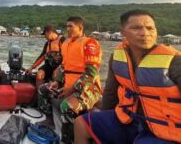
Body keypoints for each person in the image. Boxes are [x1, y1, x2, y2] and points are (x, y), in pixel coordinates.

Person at [74, 10, 181, 144]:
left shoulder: (174, 61)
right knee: (81, 124)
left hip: (165, 128)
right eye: (136, 28)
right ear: (123, 32)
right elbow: (110, 93)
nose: (145, 33)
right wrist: (106, 118)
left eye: (150, 28)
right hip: (128, 119)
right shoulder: (118, 57)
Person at [38, 16, 102, 143]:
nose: (67, 29)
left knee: (66, 106)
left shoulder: (90, 43)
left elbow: (91, 72)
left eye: (71, 26)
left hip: (88, 88)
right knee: (43, 89)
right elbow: (64, 66)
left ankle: (68, 139)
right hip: (67, 84)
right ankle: (50, 120)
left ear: (80, 27)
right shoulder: (66, 43)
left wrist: (71, 89)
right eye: (66, 26)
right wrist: (57, 81)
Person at [25, 24, 65, 89]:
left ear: (49, 32)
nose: (44, 37)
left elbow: (68, 56)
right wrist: (31, 68)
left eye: (45, 34)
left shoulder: (62, 40)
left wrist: (59, 68)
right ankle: (40, 93)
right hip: (49, 65)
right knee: (39, 74)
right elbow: (42, 57)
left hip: (61, 65)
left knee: (55, 74)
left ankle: (53, 95)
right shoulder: (47, 43)